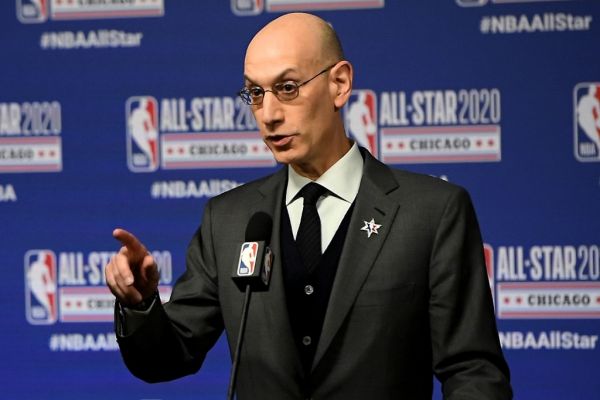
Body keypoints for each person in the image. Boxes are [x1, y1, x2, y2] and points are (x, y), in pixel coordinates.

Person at [106, 12, 512, 399]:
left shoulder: (431, 212)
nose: (268, 114)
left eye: (287, 88)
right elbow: (167, 357)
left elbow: (473, 372)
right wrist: (141, 303)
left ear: (339, 84)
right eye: (255, 93)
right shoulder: (229, 220)